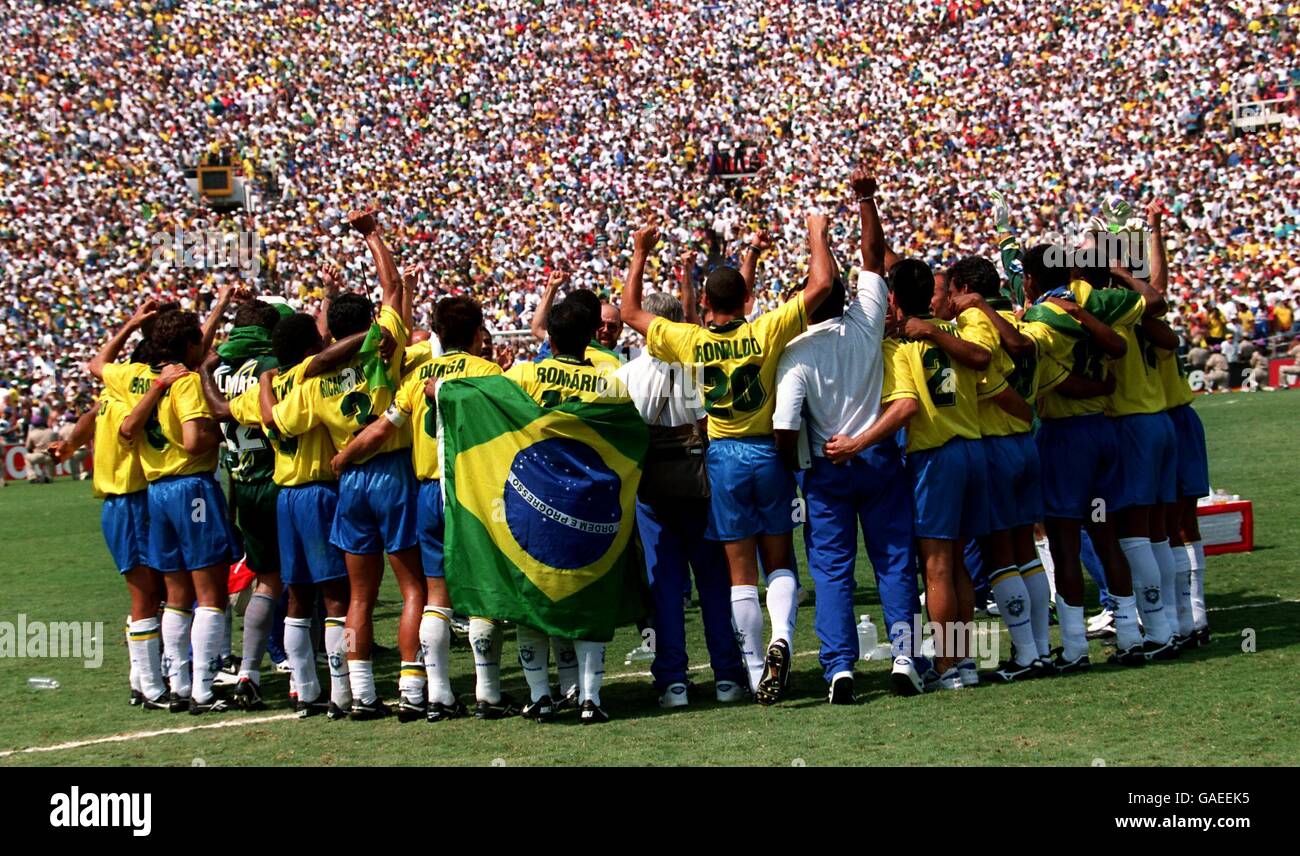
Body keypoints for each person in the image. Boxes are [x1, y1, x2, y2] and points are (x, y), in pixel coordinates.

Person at [621, 213, 835, 704]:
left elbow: (631, 312)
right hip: (767, 452)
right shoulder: (764, 331)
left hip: (721, 457)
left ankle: (757, 669)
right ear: (745, 301)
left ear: (707, 307)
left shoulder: (690, 340)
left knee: (738, 572)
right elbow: (822, 283)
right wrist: (816, 233)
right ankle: (781, 636)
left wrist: (639, 253)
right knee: (778, 561)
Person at [773, 169, 923, 702]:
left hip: (827, 467)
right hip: (879, 454)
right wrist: (865, 198)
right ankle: (905, 656)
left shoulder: (794, 353)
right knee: (894, 559)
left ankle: (839, 668)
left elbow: (785, 427)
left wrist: (797, 469)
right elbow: (874, 255)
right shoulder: (865, 324)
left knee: (833, 572)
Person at [333, 295, 515, 722]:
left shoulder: (417, 378)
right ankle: (487, 694)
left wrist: (345, 456)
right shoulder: (487, 372)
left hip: (425, 494)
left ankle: (438, 696)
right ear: (476, 334)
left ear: (436, 333)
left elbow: (380, 430)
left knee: (437, 595)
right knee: (482, 589)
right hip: (468, 491)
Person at [267, 208, 418, 720]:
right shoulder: (382, 346)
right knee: (415, 586)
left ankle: (360, 695)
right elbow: (393, 285)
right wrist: (373, 235)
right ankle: (417, 692)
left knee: (357, 596)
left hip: (348, 478)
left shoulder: (312, 379)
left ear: (328, 329)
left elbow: (280, 423)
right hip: (392, 471)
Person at [92, 308, 235, 714]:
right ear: (190, 347)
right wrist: (223, 433)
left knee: (174, 595)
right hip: (191, 489)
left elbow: (99, 365)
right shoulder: (187, 382)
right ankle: (203, 690)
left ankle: (176, 683)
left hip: (156, 491)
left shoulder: (133, 378)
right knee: (209, 592)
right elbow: (193, 442)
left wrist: (132, 324)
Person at [616, 291, 748, 708]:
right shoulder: (702, 369)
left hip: (652, 490)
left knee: (666, 588)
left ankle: (672, 681)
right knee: (713, 583)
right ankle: (727, 676)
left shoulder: (628, 374)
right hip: (700, 485)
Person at [503, 299, 631, 723]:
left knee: (531, 598)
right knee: (588, 597)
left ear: (550, 339)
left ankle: (540, 695)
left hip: (532, 500)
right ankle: (590, 698)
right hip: (590, 504)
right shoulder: (611, 379)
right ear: (593, 335)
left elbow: (481, 398)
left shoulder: (522, 375)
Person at [211, 299, 288, 710]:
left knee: (267, 580)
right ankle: (303, 673)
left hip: (240, 483)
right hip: (281, 480)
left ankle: (250, 671)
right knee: (307, 582)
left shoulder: (219, 371)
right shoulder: (274, 366)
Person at [23, 412, 55, 483]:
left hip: (37, 455)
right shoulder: (51, 431)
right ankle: (47, 477)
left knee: (26, 457)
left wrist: (33, 450)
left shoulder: (32, 433)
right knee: (48, 464)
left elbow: (28, 447)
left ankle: (32, 477)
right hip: (49, 455)